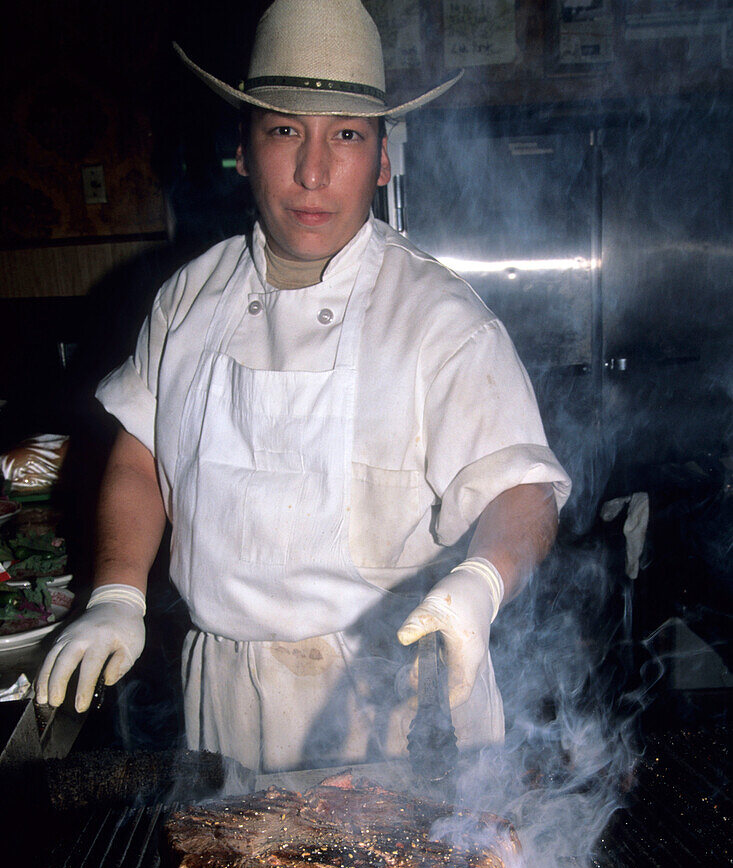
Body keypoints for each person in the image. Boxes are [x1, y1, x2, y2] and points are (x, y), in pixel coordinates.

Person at [36, 0, 571, 773]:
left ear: (382, 159)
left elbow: (521, 489)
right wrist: (117, 594)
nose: (313, 171)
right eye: (285, 130)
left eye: (346, 136)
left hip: (388, 704)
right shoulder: (188, 299)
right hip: (223, 695)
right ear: (245, 151)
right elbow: (138, 456)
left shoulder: (440, 320)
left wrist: (482, 583)